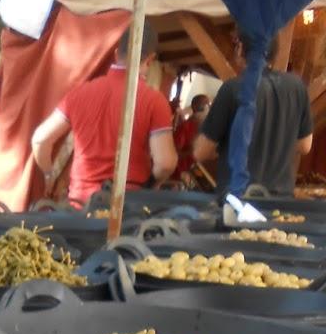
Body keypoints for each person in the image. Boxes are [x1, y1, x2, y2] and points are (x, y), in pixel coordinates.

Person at [31, 21, 177, 206]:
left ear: (116, 54)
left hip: (80, 205)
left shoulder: (79, 94)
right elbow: (165, 163)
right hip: (127, 206)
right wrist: (153, 184)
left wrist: (49, 174)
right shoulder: (154, 101)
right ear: (150, 60)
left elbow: (40, 139)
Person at [193, 31, 313, 196]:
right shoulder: (297, 87)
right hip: (281, 201)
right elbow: (305, 146)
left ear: (241, 48)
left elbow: (201, 151)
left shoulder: (233, 89)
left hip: (237, 202)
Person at [174, 92, 211, 178]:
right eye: (209, 106)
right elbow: (174, 153)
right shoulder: (184, 127)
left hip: (197, 174)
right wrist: (191, 152)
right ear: (205, 107)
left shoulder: (205, 128)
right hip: (182, 175)